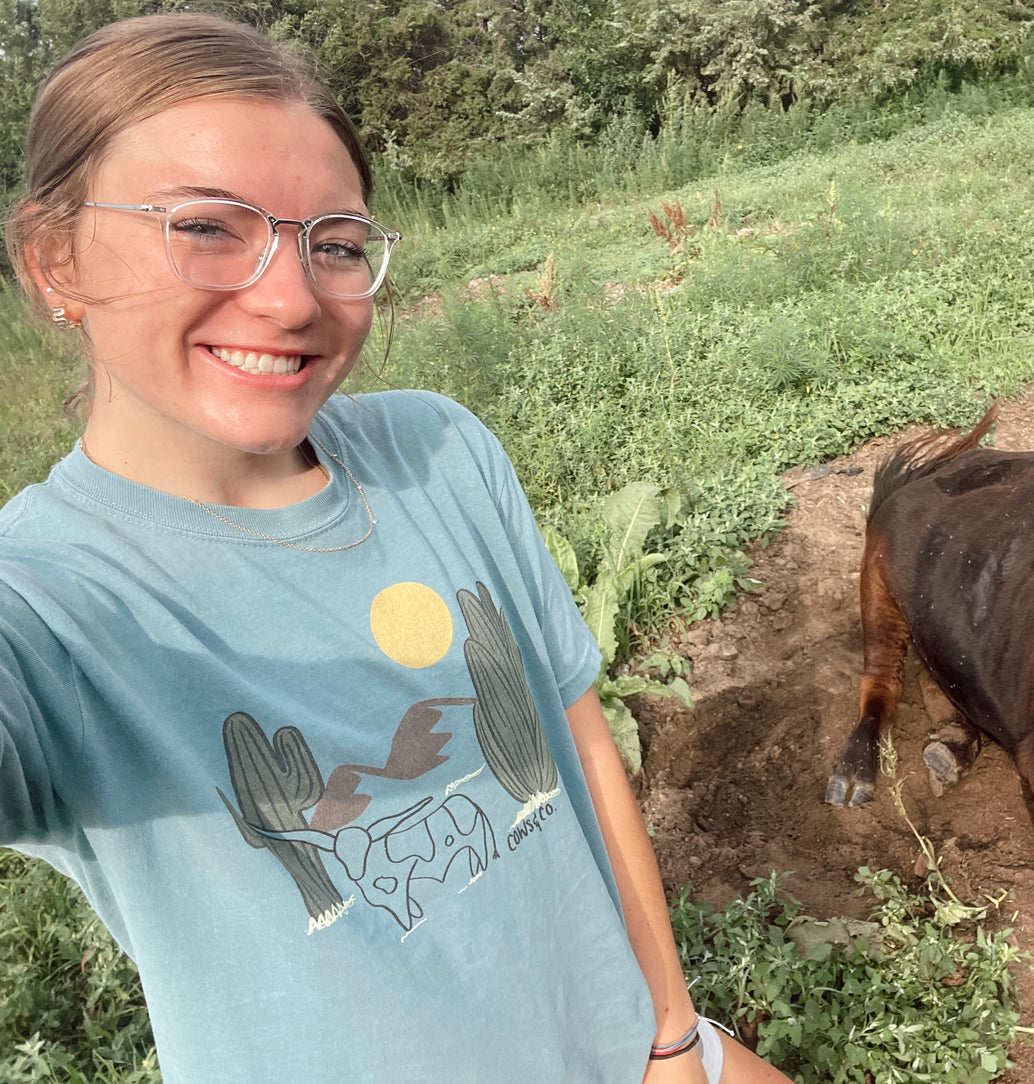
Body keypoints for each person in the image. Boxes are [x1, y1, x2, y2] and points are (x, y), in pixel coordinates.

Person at [1, 14, 792, 1084]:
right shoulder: (47, 602)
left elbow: (580, 743)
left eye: (333, 243)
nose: (291, 300)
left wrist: (670, 1034)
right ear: (54, 259)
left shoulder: (438, 452)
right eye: (206, 227)